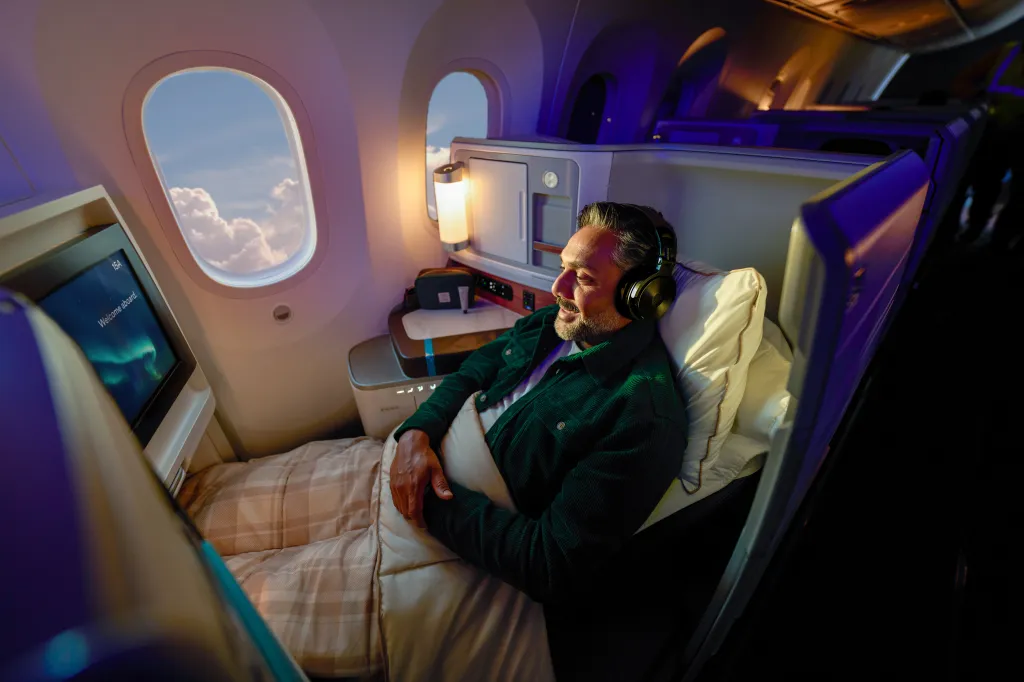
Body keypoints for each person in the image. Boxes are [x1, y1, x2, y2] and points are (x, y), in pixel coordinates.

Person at [389, 201, 688, 602]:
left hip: (445, 530)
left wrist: (425, 496)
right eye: (563, 267)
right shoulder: (548, 327)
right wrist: (416, 434)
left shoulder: (639, 416)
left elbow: (548, 564)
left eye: (582, 278)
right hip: (411, 467)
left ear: (640, 297)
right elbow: (472, 373)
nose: (558, 288)